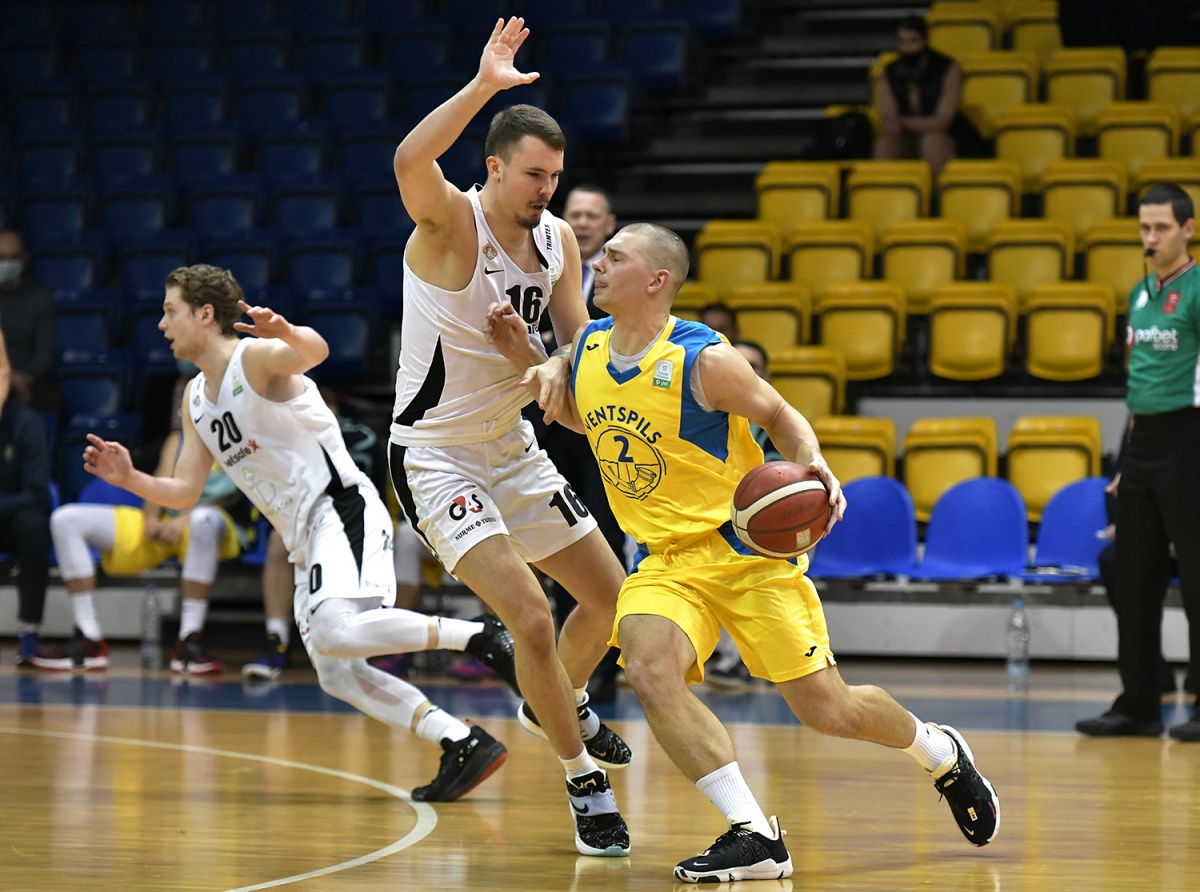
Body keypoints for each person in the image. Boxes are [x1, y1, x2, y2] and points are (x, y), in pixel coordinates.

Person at [486, 222, 1000, 881]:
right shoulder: (588, 346)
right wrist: (526, 357)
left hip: (746, 553)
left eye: (615, 256)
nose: (599, 264)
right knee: (647, 667)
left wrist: (813, 462)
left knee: (828, 710)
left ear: (657, 280)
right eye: (601, 255)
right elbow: (591, 419)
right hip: (667, 560)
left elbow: (780, 415)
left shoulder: (703, 359)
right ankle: (754, 833)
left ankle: (940, 752)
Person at [80, 263, 520, 802]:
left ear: (204, 314)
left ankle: (479, 635)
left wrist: (285, 331)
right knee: (336, 673)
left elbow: (315, 352)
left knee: (336, 633)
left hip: (341, 507)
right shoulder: (194, 400)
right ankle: (460, 741)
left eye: (170, 311)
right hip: (302, 536)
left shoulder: (253, 359)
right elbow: (185, 492)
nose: (161, 324)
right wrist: (130, 479)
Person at [388, 16, 631, 856]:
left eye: (555, 177)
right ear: (494, 167)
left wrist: (540, 359)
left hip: (511, 449)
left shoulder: (558, 240)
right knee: (529, 617)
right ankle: (583, 784)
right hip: (435, 456)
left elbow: (576, 358)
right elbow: (408, 161)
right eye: (533, 175)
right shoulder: (452, 223)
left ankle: (551, 701)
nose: (546, 191)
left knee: (612, 599)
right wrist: (485, 85)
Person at [1077, 183, 1200, 742]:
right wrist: (1127, 459)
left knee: (1195, 581)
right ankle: (1139, 705)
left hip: (1188, 438)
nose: (1151, 238)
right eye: (1145, 228)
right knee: (1133, 577)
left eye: (1162, 228)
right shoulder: (1140, 294)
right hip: (1143, 443)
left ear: (1187, 230)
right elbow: (1138, 384)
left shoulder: (1196, 289)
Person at [32, 429, 246, 673]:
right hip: (167, 523)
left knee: (202, 521)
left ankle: (189, 640)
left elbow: (235, 495)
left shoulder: (244, 435)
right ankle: (89, 639)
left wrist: (184, 520)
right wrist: (151, 518)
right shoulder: (178, 439)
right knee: (65, 519)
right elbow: (161, 477)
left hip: (219, 523)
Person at [531, 183, 627, 701]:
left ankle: (602, 673)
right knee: (546, 547)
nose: (584, 223)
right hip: (544, 424)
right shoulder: (532, 265)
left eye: (593, 215)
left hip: (602, 427)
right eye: (576, 214)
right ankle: (555, 672)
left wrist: (559, 348)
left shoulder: (622, 279)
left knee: (601, 543)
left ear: (609, 225)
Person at [0, 328, 54, 667]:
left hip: (11, 520)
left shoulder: (25, 423)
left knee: (34, 525)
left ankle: (29, 631)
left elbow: (38, 494)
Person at [872, 15, 967, 181]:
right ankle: (890, 194)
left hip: (946, 136)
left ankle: (939, 194)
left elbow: (942, 121)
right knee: (884, 145)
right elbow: (888, 117)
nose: (907, 48)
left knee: (932, 142)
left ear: (925, 40)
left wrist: (904, 123)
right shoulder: (889, 72)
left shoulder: (948, 68)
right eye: (902, 42)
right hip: (907, 138)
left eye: (913, 41)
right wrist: (895, 124)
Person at [0, 229, 58, 412]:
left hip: (27, 381)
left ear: (25, 258)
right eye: (2, 258)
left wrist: (21, 378)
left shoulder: (40, 299)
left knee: (51, 399)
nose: (7, 264)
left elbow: (44, 354)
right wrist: (7, 378)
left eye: (14, 258)